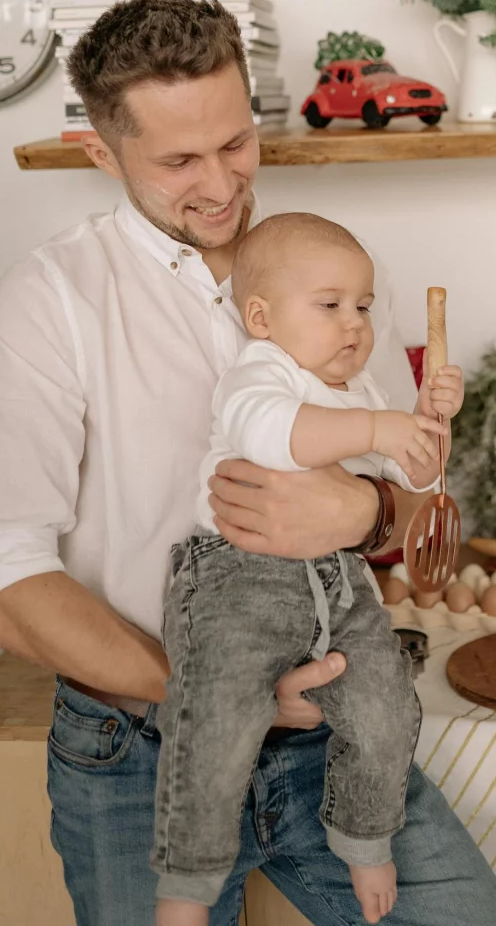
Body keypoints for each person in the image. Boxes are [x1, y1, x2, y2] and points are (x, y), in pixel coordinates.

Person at [0, 0, 496, 926]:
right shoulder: (50, 302)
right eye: (180, 160)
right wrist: (220, 697)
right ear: (100, 153)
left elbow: (417, 501)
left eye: (236, 144)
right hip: (136, 746)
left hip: (336, 738)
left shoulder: (331, 270)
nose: (222, 185)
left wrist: (370, 514)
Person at [155, 211, 463, 926]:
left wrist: (425, 424)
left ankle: (364, 837)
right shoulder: (259, 373)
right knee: (218, 713)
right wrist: (377, 430)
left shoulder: (358, 396)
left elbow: (416, 480)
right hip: (239, 580)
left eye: (363, 306)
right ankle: (187, 882)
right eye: (329, 306)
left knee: (387, 702)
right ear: (260, 316)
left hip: (337, 583)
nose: (354, 324)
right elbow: (276, 436)